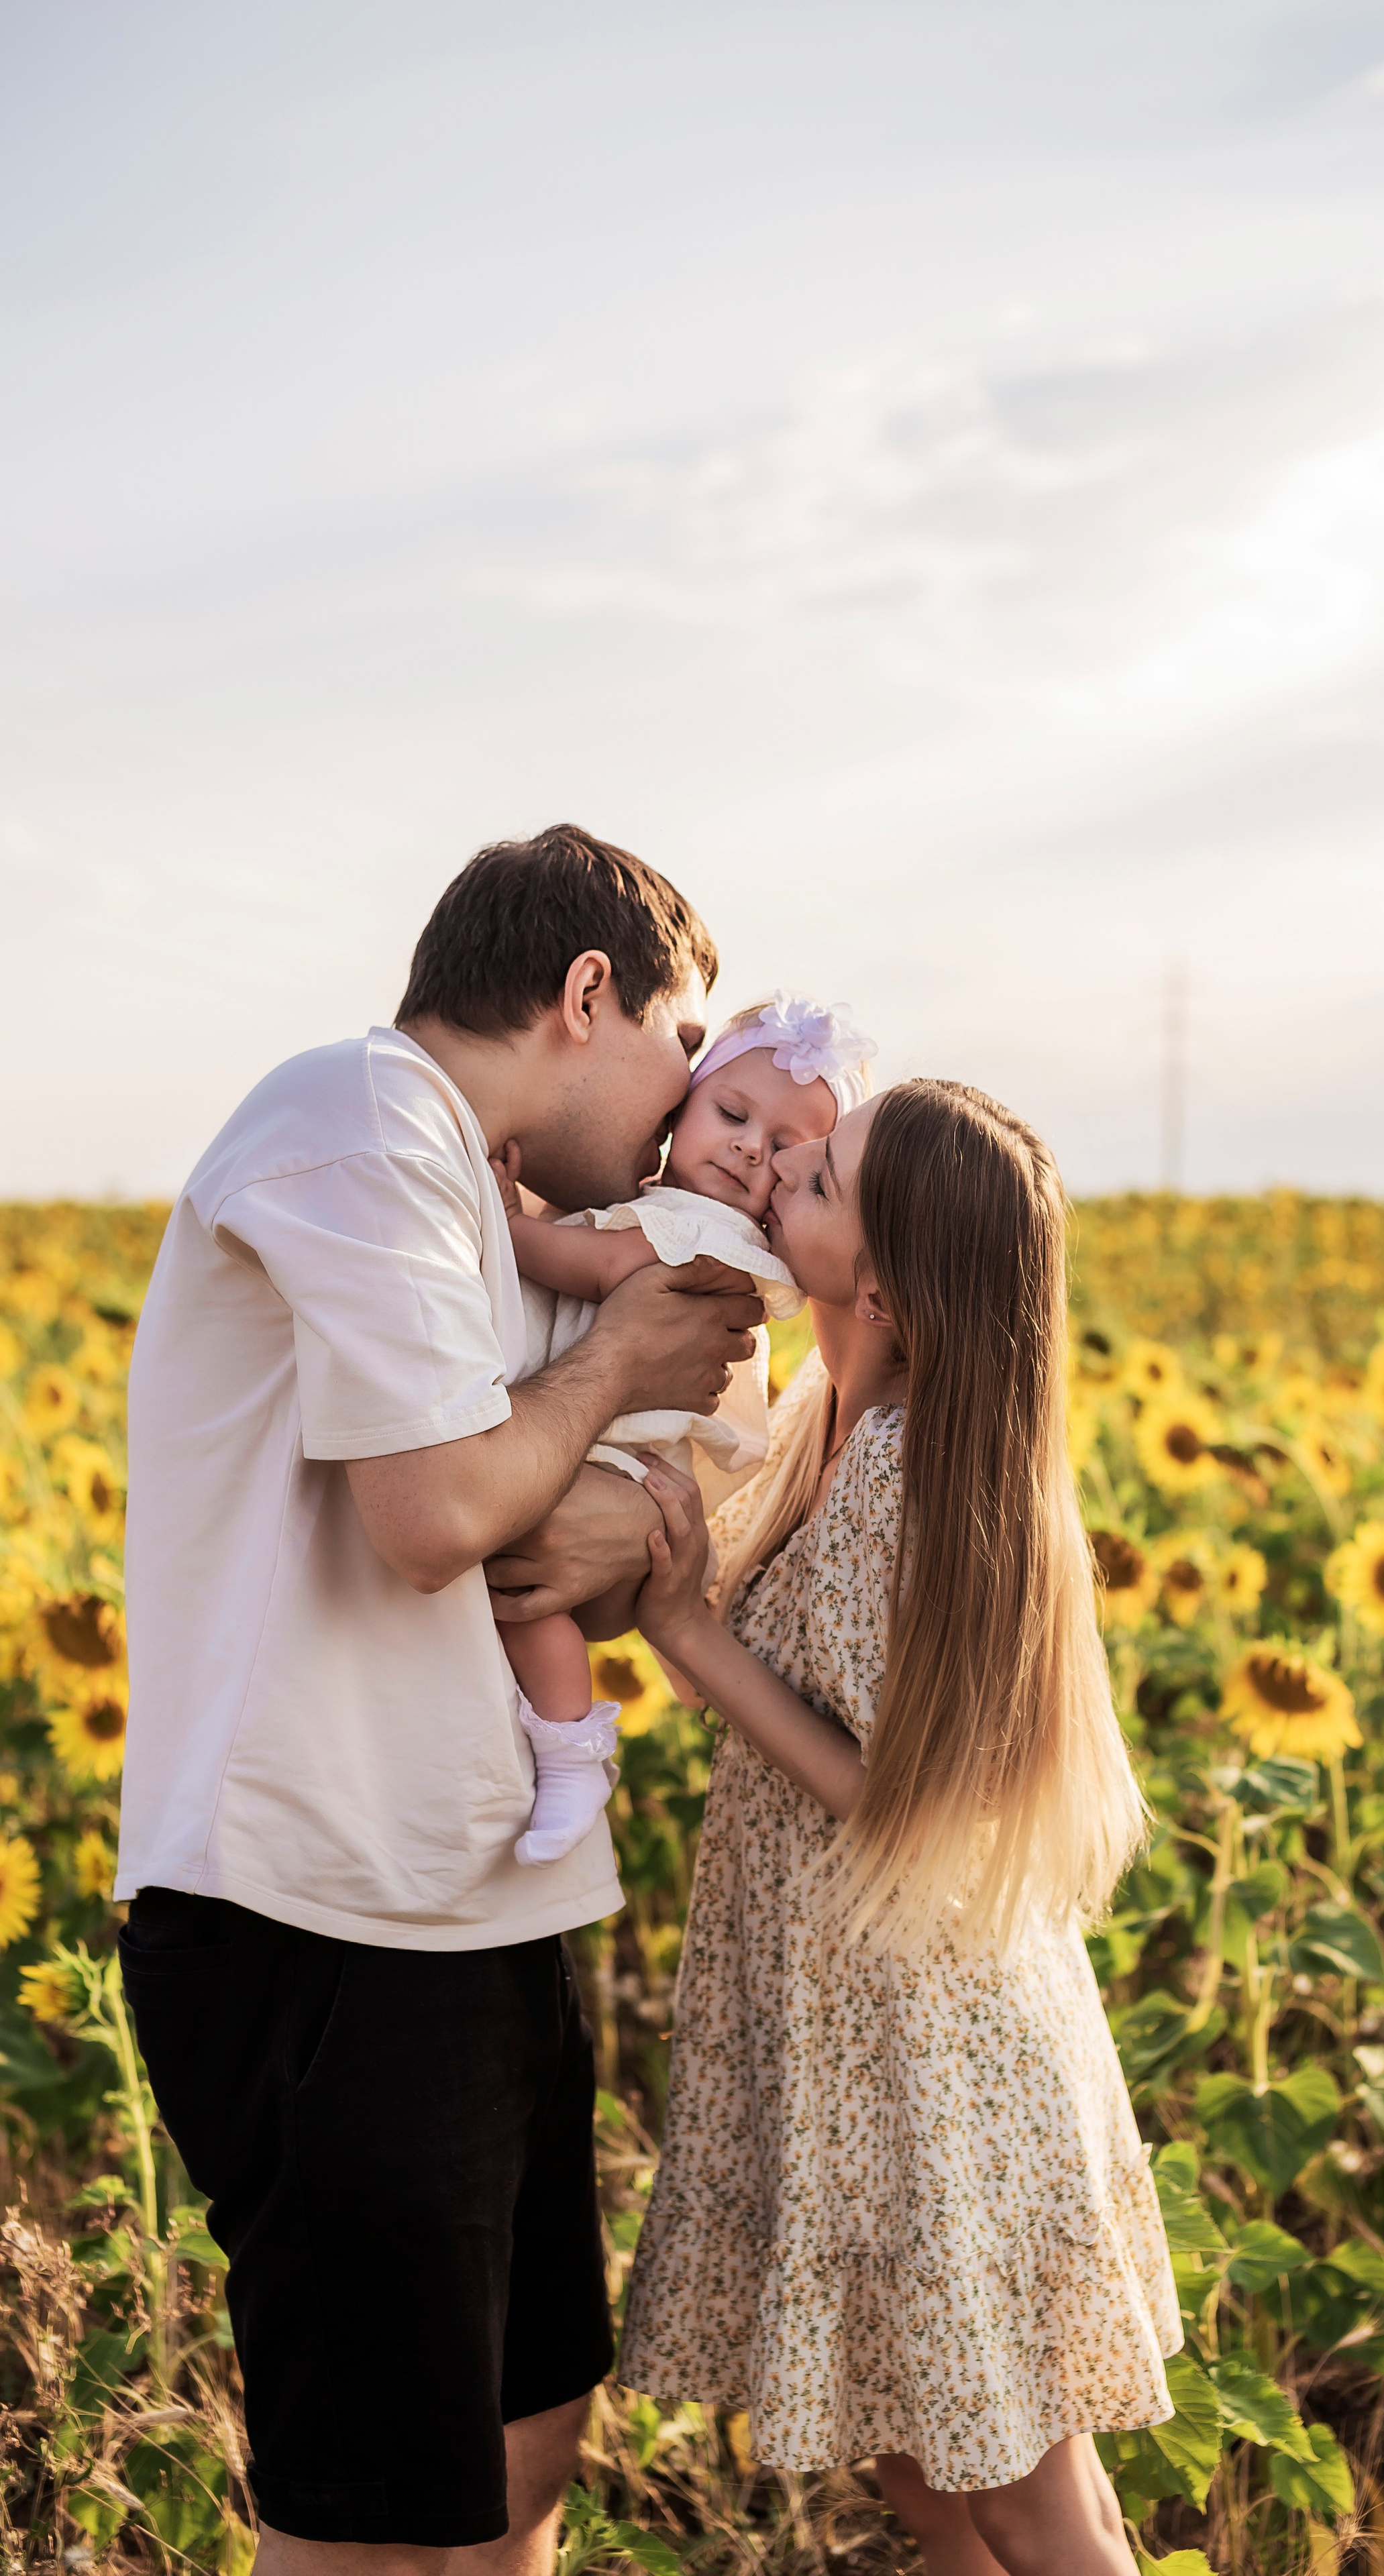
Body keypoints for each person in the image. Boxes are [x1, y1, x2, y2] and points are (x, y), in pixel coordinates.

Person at [115, 824, 763, 2576]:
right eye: (681, 1044)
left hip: (464, 1908)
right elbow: (434, 1515)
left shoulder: (480, 1192)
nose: (680, 1106)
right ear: (583, 996)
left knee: (524, 2437)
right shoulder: (361, 1118)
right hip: (319, 1913)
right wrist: (621, 1373)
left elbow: (552, 1534)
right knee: (374, 2520)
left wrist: (622, 1500)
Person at [618, 1079, 1181, 2576]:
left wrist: (686, 1626)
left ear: (881, 1280)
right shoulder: (835, 1421)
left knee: (1015, 2490)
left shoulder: (899, 1479)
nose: (787, 1159)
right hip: (864, 2039)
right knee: (931, 2470)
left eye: (824, 1171)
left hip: (925, 2063)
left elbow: (895, 1792)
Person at [488, 993, 875, 1868]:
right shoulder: (661, 1207)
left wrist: (501, 1217)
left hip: (614, 1457)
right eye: (731, 1114)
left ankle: (570, 1748)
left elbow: (594, 1262)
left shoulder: (705, 1238)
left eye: (785, 1149)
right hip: (601, 1441)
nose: (749, 1147)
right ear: (679, 1110)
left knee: (525, 1591)